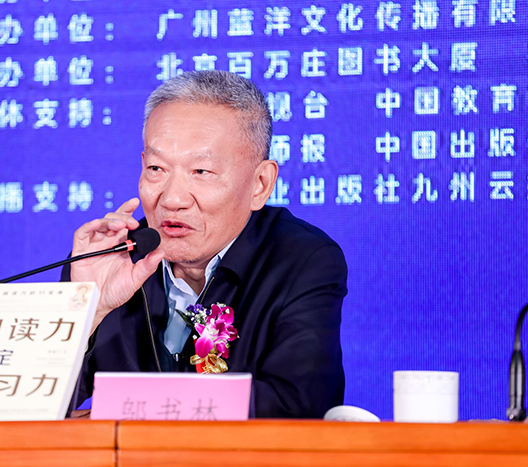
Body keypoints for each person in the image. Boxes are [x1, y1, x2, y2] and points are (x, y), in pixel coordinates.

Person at [63, 70, 347, 418]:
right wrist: (88, 312)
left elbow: (299, 406)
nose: (172, 199)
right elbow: (25, 403)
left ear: (260, 183)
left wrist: (128, 412)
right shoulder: (109, 259)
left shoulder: (301, 260)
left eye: (201, 172)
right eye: (156, 168)